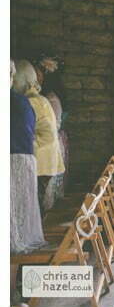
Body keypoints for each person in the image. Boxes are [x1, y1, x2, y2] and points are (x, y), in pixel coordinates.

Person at [14, 60, 65, 215]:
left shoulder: (29, 103)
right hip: (48, 160)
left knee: (31, 204)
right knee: (36, 202)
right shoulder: (40, 99)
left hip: (41, 160)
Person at [10, 60, 47, 254]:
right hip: (25, 158)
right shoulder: (23, 101)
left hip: (15, 158)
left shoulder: (19, 102)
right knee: (19, 211)